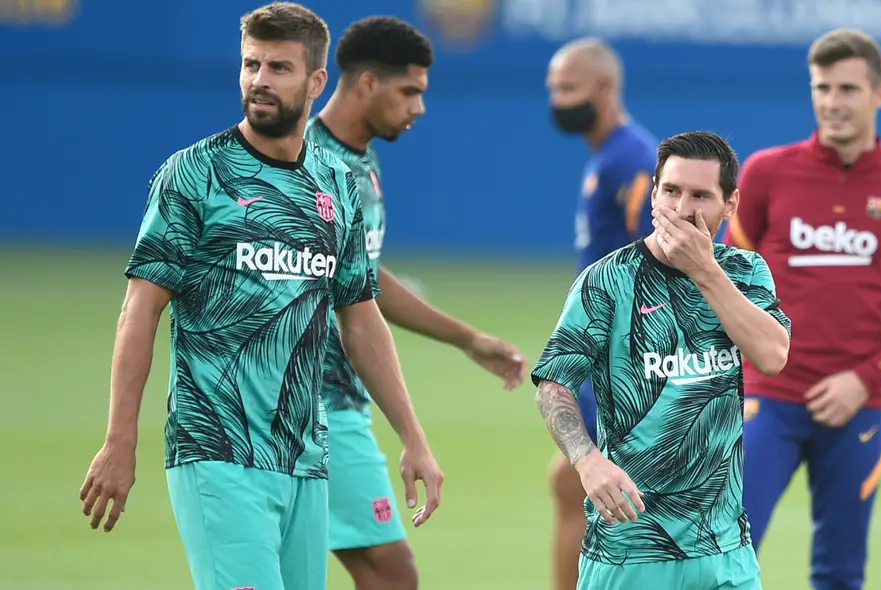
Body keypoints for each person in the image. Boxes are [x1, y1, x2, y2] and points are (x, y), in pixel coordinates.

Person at [78, 4, 443, 590]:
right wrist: (120, 440)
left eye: (279, 67)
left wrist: (413, 436)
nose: (259, 81)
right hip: (216, 450)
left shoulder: (337, 186)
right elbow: (140, 310)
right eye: (251, 64)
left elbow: (361, 317)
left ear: (316, 81)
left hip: (306, 458)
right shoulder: (195, 175)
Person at [304, 16, 528, 590]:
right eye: (411, 92)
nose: (420, 108)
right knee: (390, 570)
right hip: (311, 403)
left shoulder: (362, 163)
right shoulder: (308, 165)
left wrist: (466, 338)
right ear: (366, 83)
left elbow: (364, 278)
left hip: (335, 403)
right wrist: (412, 433)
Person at [723, 28, 881, 590]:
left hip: (858, 408)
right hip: (765, 398)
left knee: (840, 573)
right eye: (822, 87)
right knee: (725, 553)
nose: (832, 102)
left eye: (847, 88)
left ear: (879, 94)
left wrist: (864, 380)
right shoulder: (766, 173)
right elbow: (727, 285)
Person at [532, 130, 792, 590]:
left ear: (729, 205)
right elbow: (554, 384)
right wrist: (587, 460)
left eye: (700, 195)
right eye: (670, 190)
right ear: (653, 194)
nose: (681, 207)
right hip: (629, 551)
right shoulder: (608, 281)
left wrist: (705, 271)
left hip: (724, 554)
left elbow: (772, 355)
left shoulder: (746, 274)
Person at [543, 36, 659, 590]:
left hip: (626, 365)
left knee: (581, 487)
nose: (558, 100)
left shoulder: (631, 160)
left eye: (569, 88)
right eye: (554, 89)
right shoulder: (607, 157)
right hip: (603, 359)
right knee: (574, 486)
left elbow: (665, 259)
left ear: (605, 88)